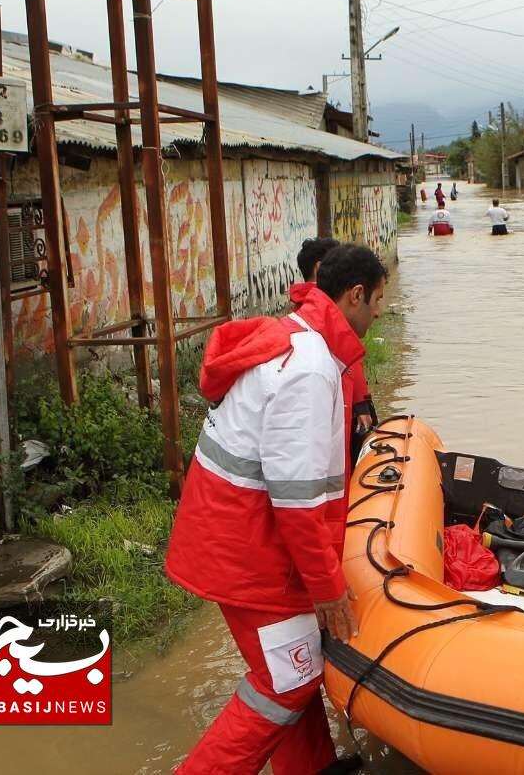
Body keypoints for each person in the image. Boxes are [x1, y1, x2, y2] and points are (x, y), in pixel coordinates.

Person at [166, 245, 388, 775]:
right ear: (354, 295)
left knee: (297, 666)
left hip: (238, 537)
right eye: (377, 300)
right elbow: (298, 497)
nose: (379, 313)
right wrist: (328, 587)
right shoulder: (309, 369)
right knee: (283, 683)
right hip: (244, 551)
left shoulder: (296, 340)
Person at [290, 237, 377, 461]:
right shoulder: (322, 318)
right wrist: (361, 405)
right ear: (320, 268)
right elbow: (349, 366)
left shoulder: (302, 313)